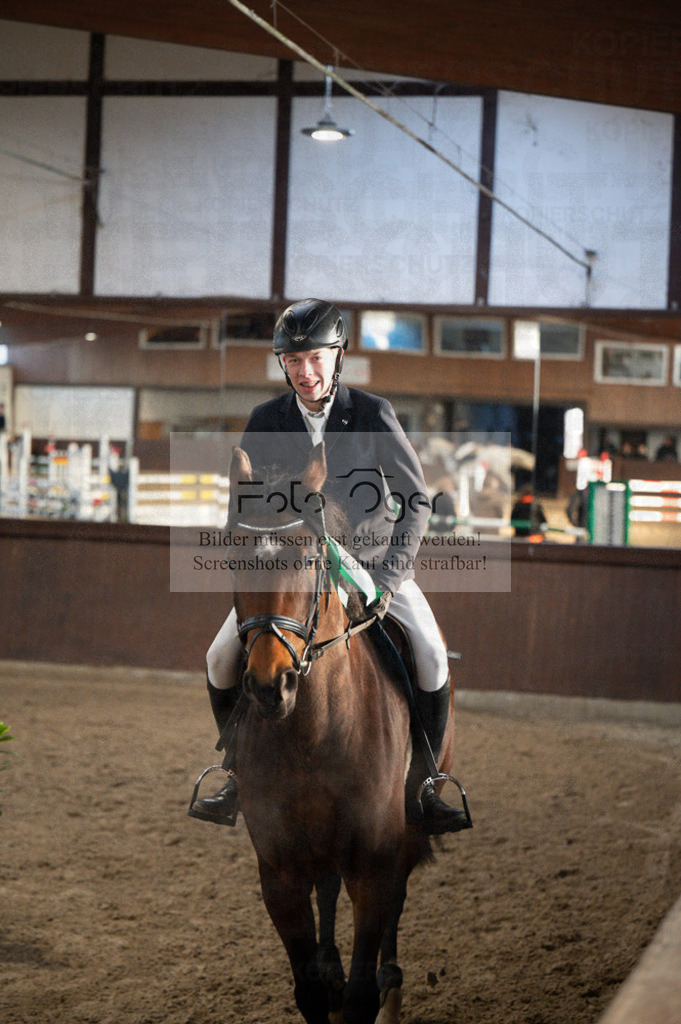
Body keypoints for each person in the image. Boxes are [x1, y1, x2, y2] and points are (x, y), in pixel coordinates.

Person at [188, 298, 467, 835]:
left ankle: (428, 784)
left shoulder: (372, 414)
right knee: (219, 657)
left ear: (337, 356)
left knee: (432, 654)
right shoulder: (265, 420)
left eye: (315, 357)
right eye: (293, 361)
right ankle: (236, 775)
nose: (305, 371)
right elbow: (242, 508)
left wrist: (389, 578)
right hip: (292, 570)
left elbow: (416, 501)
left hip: (369, 565)